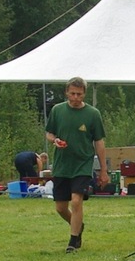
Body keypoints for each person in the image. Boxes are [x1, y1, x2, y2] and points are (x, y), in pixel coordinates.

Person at [45, 78, 108, 252]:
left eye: (79, 94)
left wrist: (103, 170)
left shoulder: (93, 114)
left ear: (84, 94)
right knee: (60, 207)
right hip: (62, 164)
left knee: (76, 200)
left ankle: (73, 242)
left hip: (83, 164)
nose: (75, 97)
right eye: (72, 93)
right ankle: (78, 225)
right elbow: (49, 133)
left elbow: (99, 142)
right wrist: (55, 140)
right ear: (66, 92)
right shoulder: (57, 110)